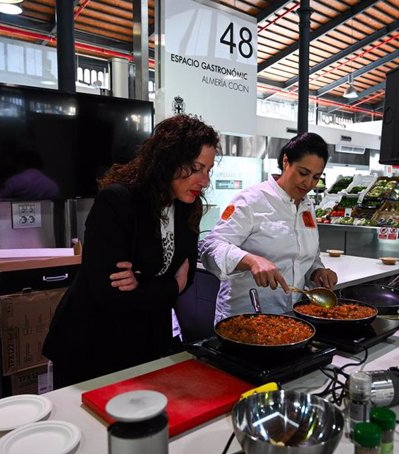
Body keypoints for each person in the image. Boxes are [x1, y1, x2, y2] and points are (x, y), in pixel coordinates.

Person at [43, 114, 219, 388]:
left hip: (148, 344)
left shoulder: (187, 209)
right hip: (93, 345)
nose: (204, 180)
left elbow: (189, 278)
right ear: (168, 160)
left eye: (208, 170)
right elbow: (111, 294)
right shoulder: (118, 201)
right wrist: (171, 284)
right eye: (197, 168)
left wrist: (143, 281)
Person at [199, 132, 337, 322]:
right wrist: (251, 261)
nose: (309, 183)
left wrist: (317, 271)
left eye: (316, 177)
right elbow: (210, 247)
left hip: (291, 317)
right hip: (246, 318)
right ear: (286, 162)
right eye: (303, 173)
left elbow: (307, 257)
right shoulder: (251, 201)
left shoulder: (306, 206)